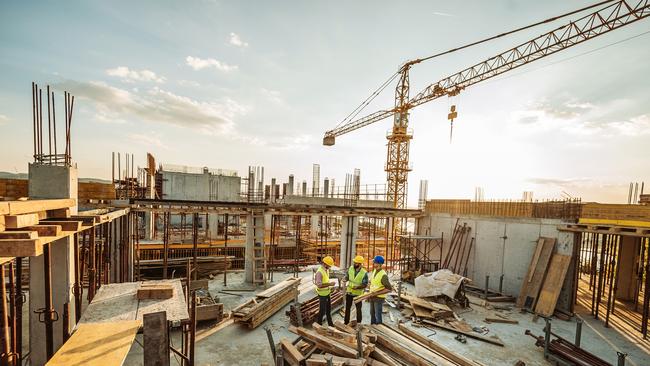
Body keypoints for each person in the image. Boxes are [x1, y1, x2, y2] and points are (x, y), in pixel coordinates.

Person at [343, 255, 368, 324]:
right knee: (347, 309)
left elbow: (365, 284)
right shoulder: (351, 268)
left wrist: (357, 287)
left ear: (360, 264)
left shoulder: (364, 273)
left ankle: (359, 323)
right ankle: (346, 323)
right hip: (349, 292)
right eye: (354, 262)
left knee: (358, 309)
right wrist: (345, 278)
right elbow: (347, 276)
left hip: (358, 294)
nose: (354, 264)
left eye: (356, 263)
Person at [368, 255, 392, 325]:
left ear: (379, 264)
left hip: (378, 298)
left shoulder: (383, 275)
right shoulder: (375, 271)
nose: (373, 263)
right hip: (372, 296)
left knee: (377, 315)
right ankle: (373, 327)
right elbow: (373, 282)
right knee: (372, 313)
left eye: (374, 262)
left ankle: (379, 329)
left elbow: (389, 289)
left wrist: (376, 293)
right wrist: (369, 285)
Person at [314, 255, 336, 326]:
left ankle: (330, 324)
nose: (330, 267)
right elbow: (319, 285)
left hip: (327, 293)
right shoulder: (319, 272)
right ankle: (319, 324)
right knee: (322, 311)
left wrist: (329, 287)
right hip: (322, 294)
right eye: (329, 265)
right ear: (325, 264)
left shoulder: (326, 270)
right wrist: (329, 284)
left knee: (328, 310)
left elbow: (325, 280)